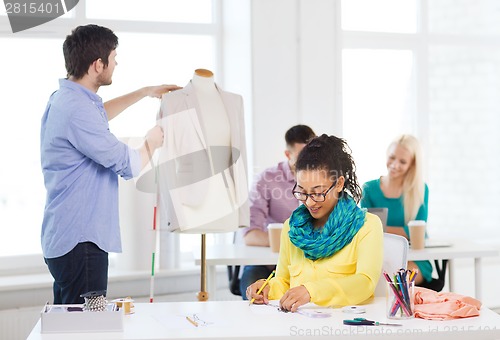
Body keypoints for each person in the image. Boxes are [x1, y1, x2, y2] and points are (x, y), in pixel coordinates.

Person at [40, 24, 181, 304]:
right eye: (113, 58)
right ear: (97, 65)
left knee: (68, 324)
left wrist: (144, 92)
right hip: (82, 243)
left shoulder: (67, 99)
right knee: (85, 328)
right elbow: (126, 163)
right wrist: (152, 141)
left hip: (67, 239)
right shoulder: (77, 111)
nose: (116, 63)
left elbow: (99, 114)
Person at [246, 134, 383, 311]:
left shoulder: (367, 226)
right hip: (298, 325)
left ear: (339, 183)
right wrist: (267, 288)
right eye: (302, 192)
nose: (309, 202)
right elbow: (284, 281)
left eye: (318, 193)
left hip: (344, 326)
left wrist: (311, 291)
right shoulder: (292, 228)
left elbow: (365, 282)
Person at [239, 125, 316, 298]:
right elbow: (250, 234)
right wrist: (291, 244)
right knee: (255, 295)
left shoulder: (324, 181)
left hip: (310, 265)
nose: (309, 161)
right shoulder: (267, 179)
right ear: (288, 155)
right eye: (302, 156)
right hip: (267, 265)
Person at [360, 134, 431, 285]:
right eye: (392, 158)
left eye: (403, 161)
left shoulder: (420, 190)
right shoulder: (369, 189)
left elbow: (417, 230)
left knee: (396, 281)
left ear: (412, 165)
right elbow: (365, 228)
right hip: (380, 255)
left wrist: (380, 228)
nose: (395, 164)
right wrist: (401, 231)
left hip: (414, 259)